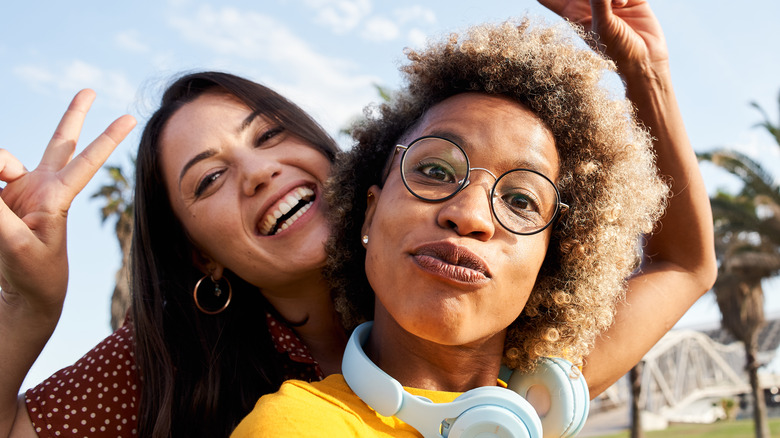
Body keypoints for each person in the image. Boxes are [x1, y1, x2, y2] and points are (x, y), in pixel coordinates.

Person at [0, 1, 715, 436]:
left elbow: (686, 263)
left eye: (269, 134)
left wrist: (644, 70)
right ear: (199, 255)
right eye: (210, 178)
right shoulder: (170, 371)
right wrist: (26, 310)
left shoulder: (503, 356)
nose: (257, 172)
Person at [231, 1, 716, 437]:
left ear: (551, 260)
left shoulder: (534, 406)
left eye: (521, 200)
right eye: (435, 171)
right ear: (369, 214)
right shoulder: (293, 428)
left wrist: (645, 69)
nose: (469, 216)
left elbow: (686, 266)